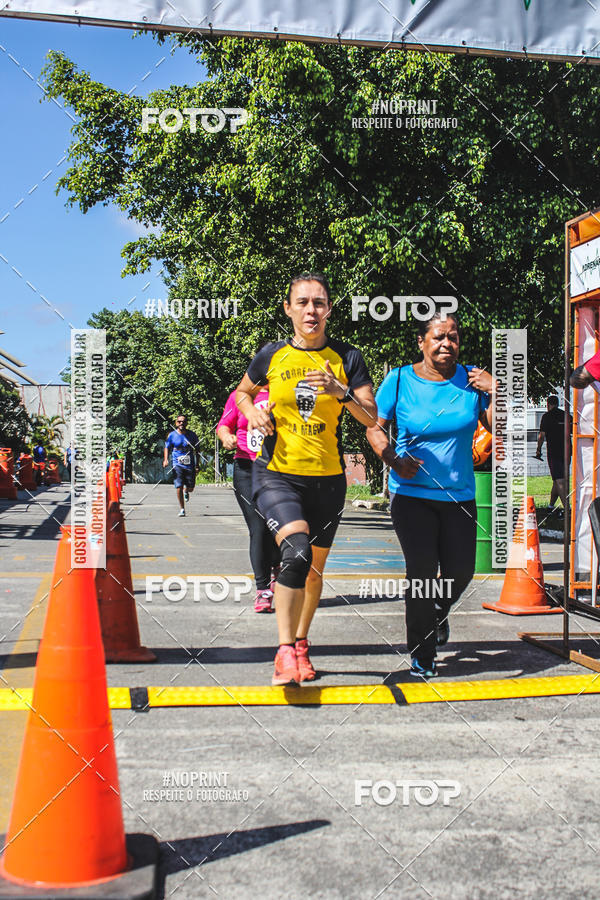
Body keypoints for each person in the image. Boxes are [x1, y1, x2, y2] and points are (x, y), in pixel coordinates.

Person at [235, 272, 377, 685]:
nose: (311, 310)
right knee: (295, 552)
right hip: (276, 473)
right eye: (302, 303)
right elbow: (243, 393)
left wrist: (340, 390)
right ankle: (282, 652)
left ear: (329, 309)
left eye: (319, 303)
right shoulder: (271, 355)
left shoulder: (347, 358)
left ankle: (300, 643)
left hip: (328, 480)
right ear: (288, 309)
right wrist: (252, 413)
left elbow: (371, 417)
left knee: (313, 570)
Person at [367, 309, 494, 678]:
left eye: (452, 337)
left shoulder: (471, 381)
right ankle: (423, 655)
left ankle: (438, 611)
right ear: (422, 342)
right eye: (438, 337)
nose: (446, 343)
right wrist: (392, 458)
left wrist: (497, 389)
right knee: (421, 571)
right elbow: (375, 427)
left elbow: (499, 427)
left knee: (461, 571)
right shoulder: (399, 379)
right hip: (411, 495)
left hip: (459, 495)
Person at [217, 378, 280, 613]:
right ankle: (263, 589)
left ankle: (275, 563)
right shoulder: (241, 396)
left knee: (278, 526)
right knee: (258, 526)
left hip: (280, 470)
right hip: (246, 468)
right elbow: (224, 425)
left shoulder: (284, 394)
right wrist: (226, 438)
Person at [535, 396, 570, 513]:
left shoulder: (546, 417)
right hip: (567, 451)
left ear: (548, 404)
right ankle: (550, 506)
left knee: (559, 480)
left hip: (554, 452)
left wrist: (538, 450)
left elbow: (542, 436)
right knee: (558, 479)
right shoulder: (566, 415)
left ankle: (568, 509)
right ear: (558, 403)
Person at [163, 415, 200, 517]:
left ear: (187, 423)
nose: (181, 423)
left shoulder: (192, 435)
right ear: (176, 423)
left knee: (191, 488)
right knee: (178, 485)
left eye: (183, 422)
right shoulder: (172, 435)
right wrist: (165, 459)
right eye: (179, 422)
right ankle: (182, 509)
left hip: (189, 464)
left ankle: (186, 490)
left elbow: (197, 450)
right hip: (177, 463)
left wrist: (197, 465)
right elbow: (166, 447)